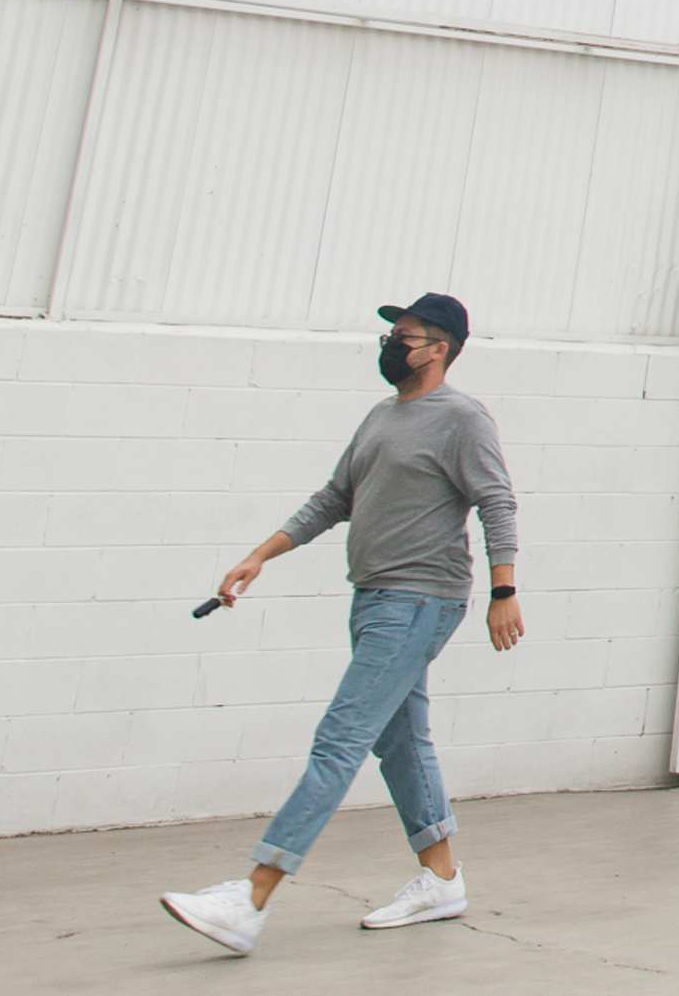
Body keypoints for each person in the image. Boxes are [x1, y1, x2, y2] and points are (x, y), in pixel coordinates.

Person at [159, 292, 520, 956]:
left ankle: (252, 896)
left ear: (438, 346)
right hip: (376, 598)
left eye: (403, 335)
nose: (390, 345)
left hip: (421, 598)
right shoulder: (382, 416)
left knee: (340, 737)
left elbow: (496, 500)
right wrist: (259, 554)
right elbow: (334, 498)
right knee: (401, 741)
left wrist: (505, 587)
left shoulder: (463, 418)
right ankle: (442, 878)